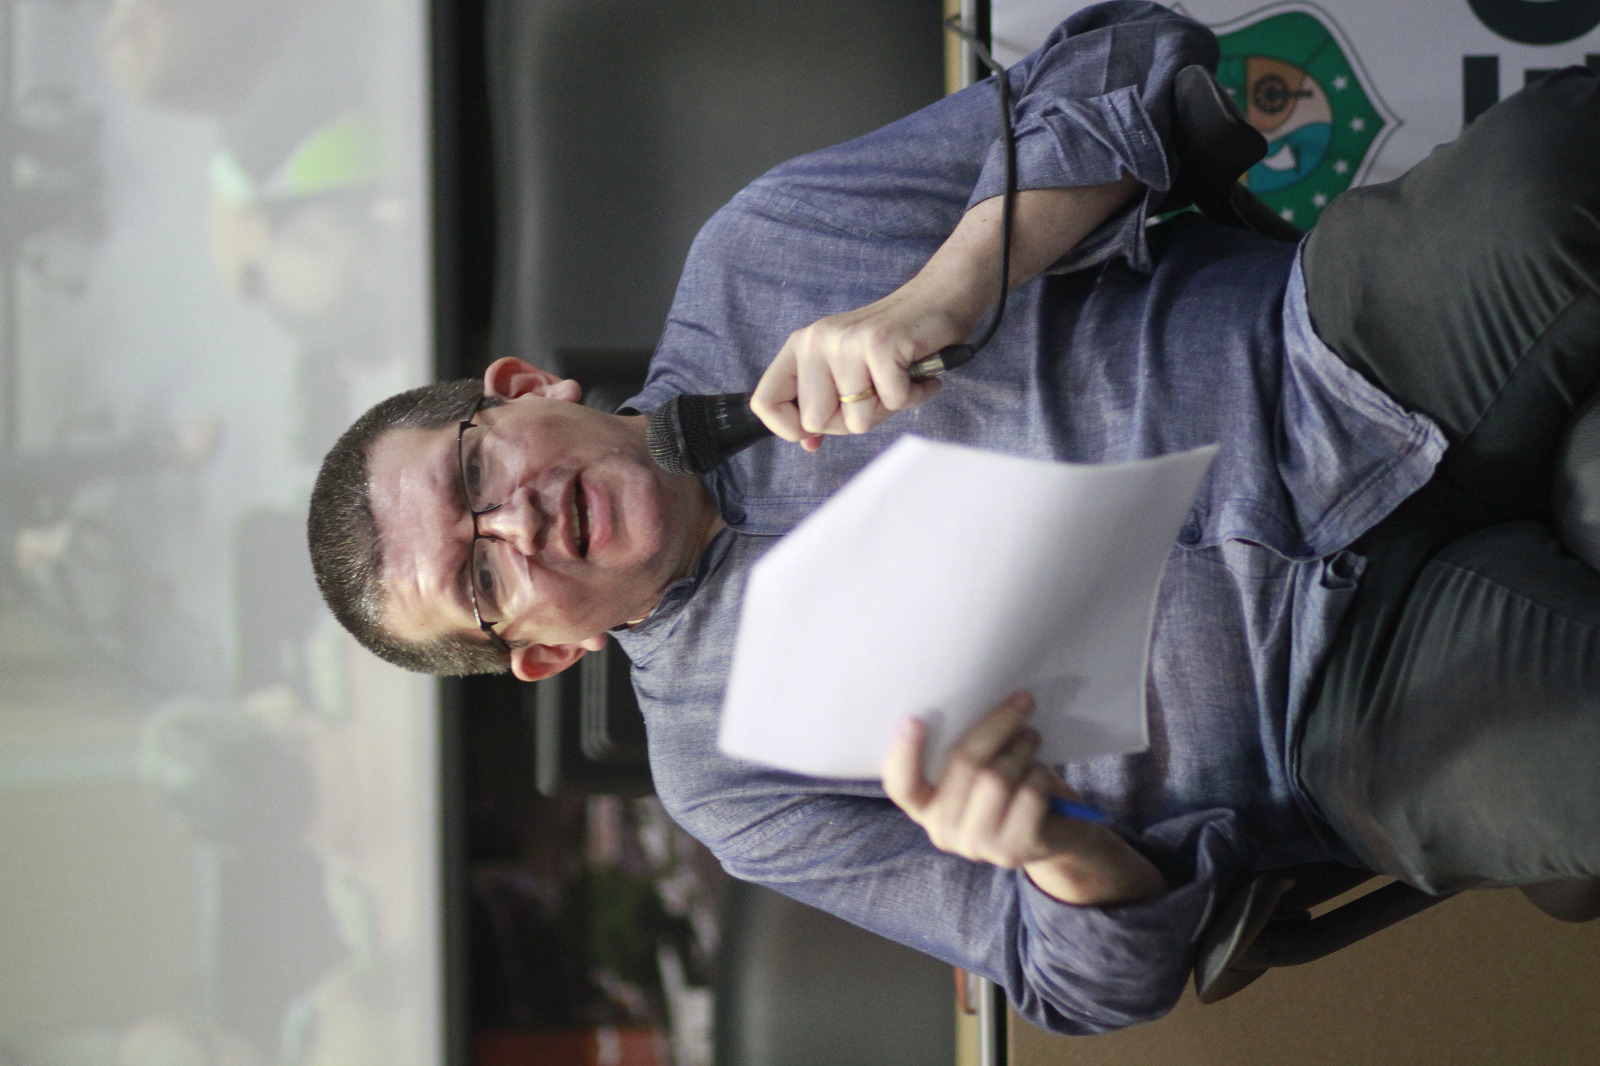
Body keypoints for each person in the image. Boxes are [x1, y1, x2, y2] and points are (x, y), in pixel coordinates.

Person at [308, 1, 1600, 1034]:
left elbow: (1137, 53)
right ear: (544, 651)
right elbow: (1081, 982)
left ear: (525, 390)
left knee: (1547, 174)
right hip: (1342, 704)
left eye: (475, 478)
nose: (518, 526)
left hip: (1329, 358)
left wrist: (952, 280)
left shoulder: (756, 257)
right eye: (481, 581)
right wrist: (1044, 847)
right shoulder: (726, 780)